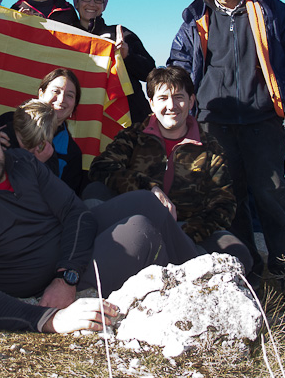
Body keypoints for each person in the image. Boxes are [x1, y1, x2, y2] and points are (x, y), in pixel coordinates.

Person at [0, 106, 200, 333]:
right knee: (140, 231)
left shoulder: (22, 161)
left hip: (68, 259)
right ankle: (193, 297)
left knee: (147, 202)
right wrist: (50, 319)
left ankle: (207, 273)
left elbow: (77, 213)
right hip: (42, 281)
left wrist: (67, 276)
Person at [168, 0, 285, 281]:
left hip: (263, 118)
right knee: (228, 202)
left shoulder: (269, 8)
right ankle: (248, 273)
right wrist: (177, 107)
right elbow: (178, 62)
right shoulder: (195, 18)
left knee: (271, 194)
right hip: (213, 122)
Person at [87, 66, 252, 274]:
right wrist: (150, 189)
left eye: (179, 97)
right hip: (134, 224)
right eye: (163, 98)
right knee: (94, 192)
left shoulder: (210, 147)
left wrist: (183, 233)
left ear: (191, 101)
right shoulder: (133, 137)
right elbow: (101, 169)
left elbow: (224, 204)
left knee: (236, 252)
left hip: (187, 231)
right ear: (151, 103)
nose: (171, 106)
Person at [71, 0, 155, 124]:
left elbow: (150, 72)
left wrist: (127, 56)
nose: (91, 3)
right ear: (76, 3)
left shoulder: (120, 34)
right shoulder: (67, 37)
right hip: (84, 121)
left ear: (104, 6)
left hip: (128, 121)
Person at [0, 68, 85, 193]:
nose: (61, 99)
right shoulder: (8, 120)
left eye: (70, 95)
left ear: (74, 105)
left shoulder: (72, 153)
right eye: (56, 91)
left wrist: (38, 164)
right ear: (41, 93)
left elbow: (62, 200)